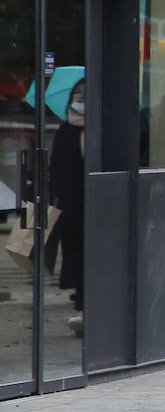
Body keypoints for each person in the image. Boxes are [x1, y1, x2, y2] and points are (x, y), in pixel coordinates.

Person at [49, 79, 86, 330]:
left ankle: (88, 308)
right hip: (72, 206)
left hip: (98, 204)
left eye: (85, 94)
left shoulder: (103, 127)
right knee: (76, 255)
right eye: (77, 94)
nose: (80, 98)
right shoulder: (66, 129)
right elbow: (56, 168)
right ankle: (83, 308)